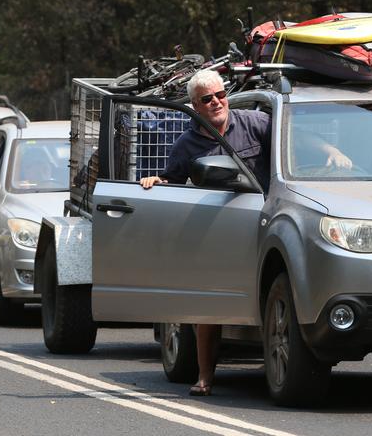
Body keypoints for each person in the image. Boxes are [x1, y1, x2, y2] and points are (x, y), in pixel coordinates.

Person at [140, 69, 351, 396]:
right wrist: (157, 183)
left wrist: (329, 150)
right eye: (207, 99)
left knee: (276, 290)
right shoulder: (187, 143)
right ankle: (205, 377)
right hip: (218, 228)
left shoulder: (253, 121)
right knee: (209, 304)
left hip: (264, 218)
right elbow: (173, 181)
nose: (216, 102)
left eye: (220, 95)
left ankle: (283, 363)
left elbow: (293, 136)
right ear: (195, 106)